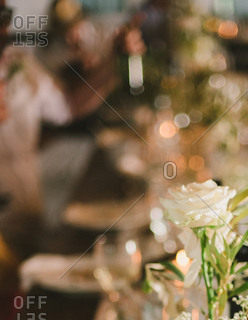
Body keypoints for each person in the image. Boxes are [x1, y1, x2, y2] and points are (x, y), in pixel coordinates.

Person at [0, 0, 145, 217]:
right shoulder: (48, 51)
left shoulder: (17, 60)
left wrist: (114, 58)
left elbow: (68, 106)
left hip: (25, 208)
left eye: (4, 15)